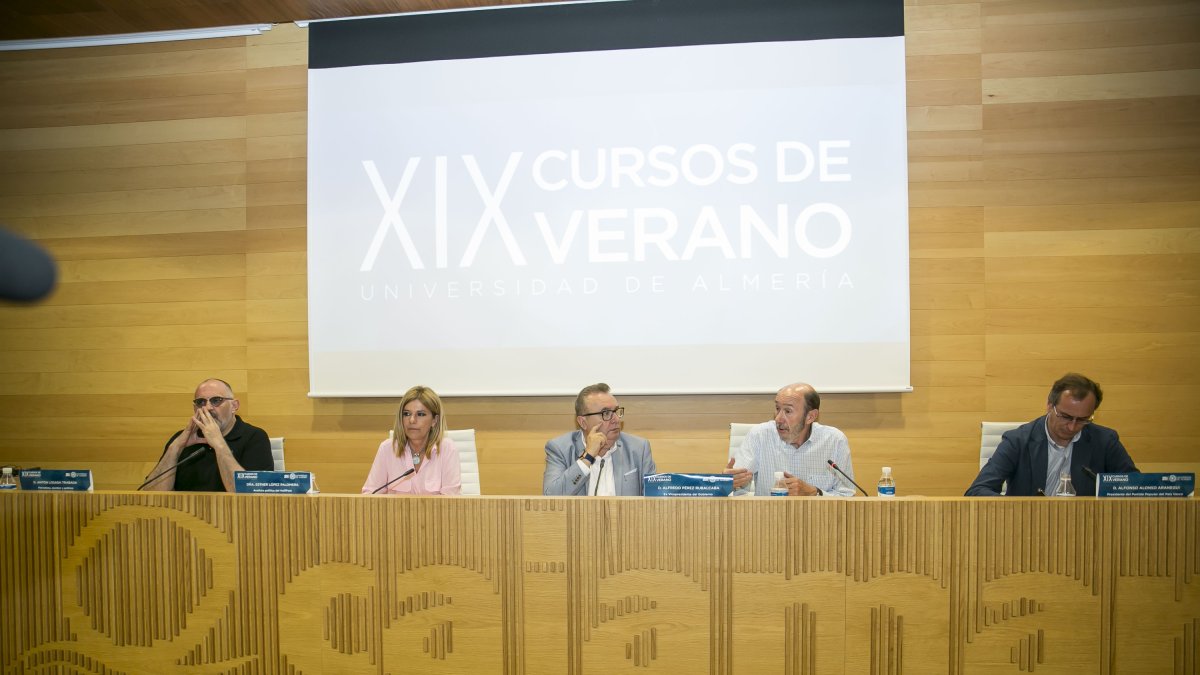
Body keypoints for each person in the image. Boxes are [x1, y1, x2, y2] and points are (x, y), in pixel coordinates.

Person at [966, 373, 1137, 497]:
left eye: (1083, 420)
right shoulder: (1018, 441)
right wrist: (1017, 509)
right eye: (1066, 417)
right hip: (1027, 529)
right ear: (1049, 405)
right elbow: (977, 491)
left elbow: (1136, 489)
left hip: (1085, 531)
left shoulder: (1105, 441)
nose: (1072, 427)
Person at [725, 382, 856, 496]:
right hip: (769, 519)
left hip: (816, 521)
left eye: (788, 411)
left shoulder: (835, 441)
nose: (778, 418)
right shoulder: (759, 435)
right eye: (777, 408)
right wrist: (728, 482)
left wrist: (814, 493)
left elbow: (847, 495)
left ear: (810, 416)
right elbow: (736, 484)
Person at [144, 378, 272, 492]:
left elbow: (252, 498)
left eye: (216, 400)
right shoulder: (182, 439)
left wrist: (219, 444)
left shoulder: (255, 437)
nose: (208, 407)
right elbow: (151, 497)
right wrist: (175, 447)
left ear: (234, 406)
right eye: (201, 402)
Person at [543, 383, 656, 496]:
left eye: (616, 411)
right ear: (583, 422)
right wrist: (588, 457)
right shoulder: (560, 449)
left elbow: (653, 500)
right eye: (606, 413)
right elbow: (550, 497)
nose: (616, 419)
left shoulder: (639, 448)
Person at [362, 385, 461, 495]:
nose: (412, 420)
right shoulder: (387, 449)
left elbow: (452, 501)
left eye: (420, 414)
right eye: (406, 414)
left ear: (434, 420)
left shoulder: (447, 449)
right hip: (396, 512)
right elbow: (370, 495)